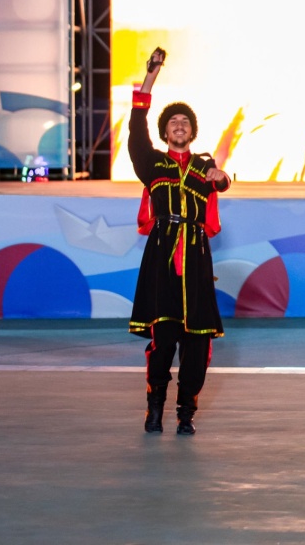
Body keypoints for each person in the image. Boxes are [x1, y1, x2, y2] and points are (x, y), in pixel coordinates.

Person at [128, 47, 231, 435]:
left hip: (196, 257)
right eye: (173, 121)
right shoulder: (151, 163)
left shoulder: (204, 165)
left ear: (192, 130)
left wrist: (222, 177)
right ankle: (154, 407)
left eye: (185, 121)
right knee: (163, 338)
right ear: (165, 131)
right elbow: (136, 128)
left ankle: (186, 412)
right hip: (162, 256)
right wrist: (151, 76)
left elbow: (222, 181)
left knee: (198, 344)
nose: (179, 124)